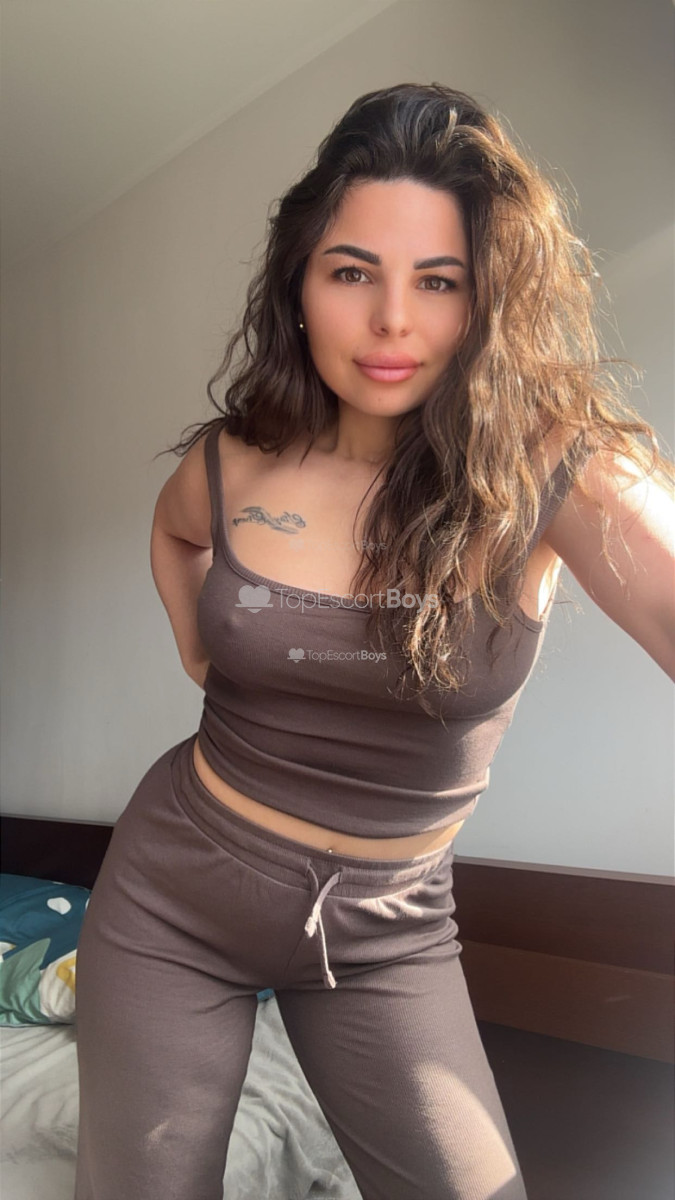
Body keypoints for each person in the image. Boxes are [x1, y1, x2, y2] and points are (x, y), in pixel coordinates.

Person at [73, 83, 675, 1200]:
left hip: (388, 932)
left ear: (488, 300)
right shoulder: (235, 460)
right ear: (299, 285)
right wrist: (201, 649)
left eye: (439, 281)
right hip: (172, 895)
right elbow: (174, 536)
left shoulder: (556, 470)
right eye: (353, 272)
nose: (394, 319)